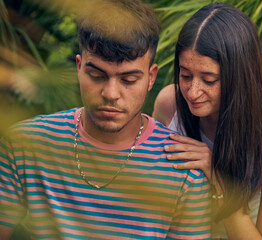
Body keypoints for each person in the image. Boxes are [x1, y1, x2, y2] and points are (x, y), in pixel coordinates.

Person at [0, 1, 211, 239]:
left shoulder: (182, 170)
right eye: (97, 75)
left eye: (128, 80)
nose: (111, 93)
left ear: (151, 78)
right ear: (79, 67)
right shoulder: (23, 145)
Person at [153, 3, 262, 239]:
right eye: (185, 75)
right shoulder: (169, 105)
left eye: (209, 80)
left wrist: (219, 181)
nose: (192, 92)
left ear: (240, 78)